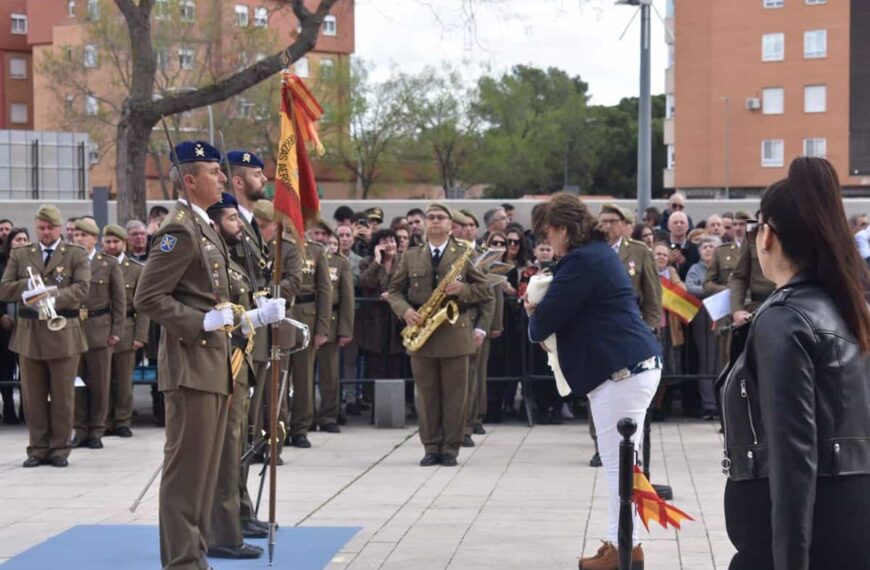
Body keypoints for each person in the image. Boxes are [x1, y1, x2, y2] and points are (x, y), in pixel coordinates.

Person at [720, 157, 870, 570]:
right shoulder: (848, 306)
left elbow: (793, 457)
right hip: (847, 520)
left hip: (798, 537)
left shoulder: (785, 318)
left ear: (767, 235)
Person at [525, 193, 661, 570]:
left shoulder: (582, 261)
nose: (547, 241)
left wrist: (534, 308)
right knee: (621, 464)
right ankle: (622, 543)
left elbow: (541, 326)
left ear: (564, 230)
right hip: (625, 368)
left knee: (619, 466)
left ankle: (625, 550)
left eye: (548, 232)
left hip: (622, 372)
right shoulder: (595, 255)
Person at [133, 141, 235, 569]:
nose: (223, 178)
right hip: (191, 365)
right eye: (215, 171)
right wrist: (199, 323)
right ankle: (182, 563)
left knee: (205, 477)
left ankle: (194, 557)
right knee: (185, 476)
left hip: (212, 365)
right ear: (190, 180)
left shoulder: (203, 226)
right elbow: (148, 296)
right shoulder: (179, 228)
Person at [205, 193, 284, 561]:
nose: (242, 225)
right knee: (224, 450)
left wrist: (259, 316)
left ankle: (233, 520)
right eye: (234, 219)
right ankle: (221, 531)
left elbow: (237, 313)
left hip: (239, 359)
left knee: (234, 445)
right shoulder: (213, 261)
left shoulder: (230, 264)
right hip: (222, 361)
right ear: (217, 222)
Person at [388, 203, 491, 467]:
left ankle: (451, 449)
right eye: (430, 217)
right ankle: (430, 446)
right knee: (426, 395)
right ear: (424, 223)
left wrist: (462, 290)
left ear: (450, 224)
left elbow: (485, 291)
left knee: (456, 396)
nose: (435, 221)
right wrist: (407, 312)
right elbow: (395, 292)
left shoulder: (465, 253)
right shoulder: (411, 255)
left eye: (440, 218)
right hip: (422, 333)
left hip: (454, 334)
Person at [0, 205, 90, 467]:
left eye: (50, 228)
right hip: (29, 333)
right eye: (41, 228)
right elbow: (4, 289)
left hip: (63, 332)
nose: (46, 233)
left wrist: (51, 295)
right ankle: (37, 448)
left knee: (62, 396)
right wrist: (29, 286)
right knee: (33, 397)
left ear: (59, 228)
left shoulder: (75, 254)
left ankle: (60, 449)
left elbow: (82, 289)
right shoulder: (21, 254)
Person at [71, 218, 126, 450]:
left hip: (99, 328)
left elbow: (119, 300)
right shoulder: (70, 261)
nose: (79, 239)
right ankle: (80, 429)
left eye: (84, 236)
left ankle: (96, 430)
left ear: (95, 239)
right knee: (76, 383)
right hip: (73, 329)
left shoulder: (108, 263)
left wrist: (116, 330)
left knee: (100, 384)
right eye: (76, 235)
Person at [101, 224, 149, 438]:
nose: (112, 246)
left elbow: (143, 307)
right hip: (100, 328)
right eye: (108, 241)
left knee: (123, 381)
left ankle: (122, 420)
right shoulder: (96, 266)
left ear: (124, 243)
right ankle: (105, 420)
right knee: (102, 379)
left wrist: (140, 335)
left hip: (127, 329)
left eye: (116, 242)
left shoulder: (136, 269)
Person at [285, 235, 332, 449]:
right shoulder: (276, 246)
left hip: (307, 316)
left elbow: (324, 290)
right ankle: (279, 426)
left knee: (304, 377)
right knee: (279, 377)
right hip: (282, 313)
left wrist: (322, 327)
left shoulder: (316, 250)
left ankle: (300, 428)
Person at [313, 223, 354, 434]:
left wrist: (345, 329)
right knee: (304, 375)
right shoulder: (306, 256)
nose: (322, 240)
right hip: (307, 320)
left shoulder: (340, 263)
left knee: (330, 375)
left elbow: (347, 298)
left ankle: (329, 415)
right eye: (318, 235)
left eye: (327, 238)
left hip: (331, 321)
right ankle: (307, 415)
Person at [684, 235, 721, 419]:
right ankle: (709, 405)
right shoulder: (695, 269)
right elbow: (689, 287)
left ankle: (722, 402)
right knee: (706, 361)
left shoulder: (723, 266)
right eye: (704, 246)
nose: (708, 249)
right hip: (703, 317)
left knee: (722, 361)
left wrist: (707, 289)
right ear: (698, 251)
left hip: (722, 316)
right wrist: (713, 289)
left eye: (712, 246)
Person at [0, 227, 29, 424]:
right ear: (10, 243)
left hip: (28, 326)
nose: (22, 242)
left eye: (25, 239)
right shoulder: (2, 264)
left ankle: (27, 411)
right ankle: (9, 409)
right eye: (18, 239)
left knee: (27, 371)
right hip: (4, 327)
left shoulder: (33, 264)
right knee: (5, 369)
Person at [667, 211, 699, 280]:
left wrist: (684, 263)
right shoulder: (662, 247)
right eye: (675, 222)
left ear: (687, 226)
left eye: (682, 222)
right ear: (669, 226)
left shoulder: (696, 249)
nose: (679, 225)